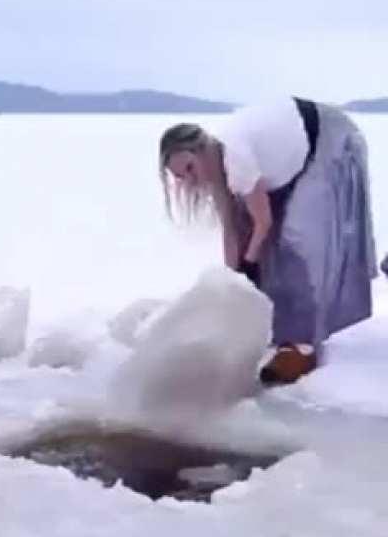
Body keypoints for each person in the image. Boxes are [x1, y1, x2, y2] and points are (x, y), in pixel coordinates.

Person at [158, 97, 377, 384]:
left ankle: (302, 345)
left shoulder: (235, 157)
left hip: (325, 138)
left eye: (189, 169)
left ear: (201, 150)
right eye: (180, 177)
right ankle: (276, 329)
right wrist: (234, 281)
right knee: (262, 245)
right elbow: (232, 231)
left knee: (297, 240)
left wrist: (247, 264)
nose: (190, 180)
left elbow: (264, 223)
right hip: (291, 156)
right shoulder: (218, 167)